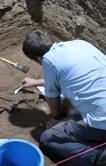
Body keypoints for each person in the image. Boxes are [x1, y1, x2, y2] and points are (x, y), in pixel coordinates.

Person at [21, 30, 106, 166]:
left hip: (103, 121)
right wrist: (36, 82)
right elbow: (68, 74)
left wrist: (56, 118)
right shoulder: (79, 44)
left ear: (38, 58)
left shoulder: (48, 60)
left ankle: (98, 156)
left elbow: (54, 107)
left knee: (48, 139)